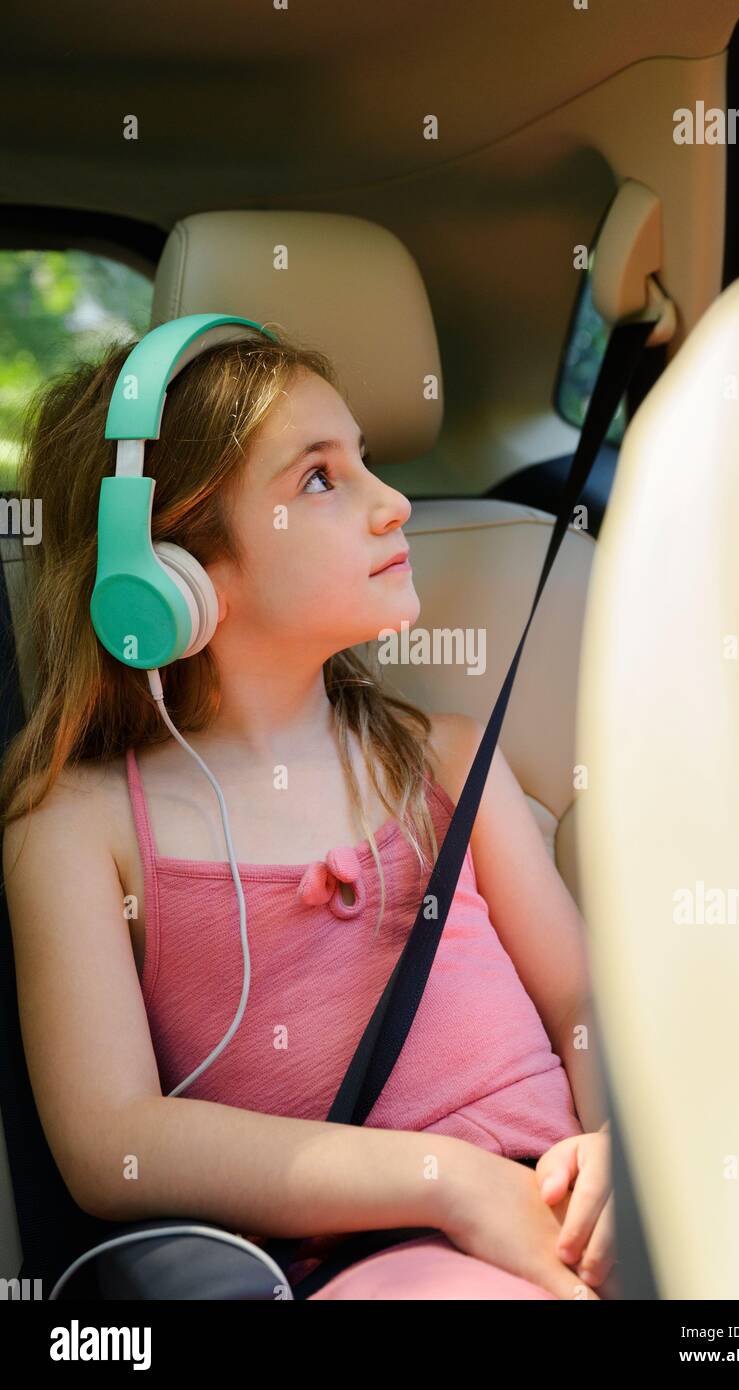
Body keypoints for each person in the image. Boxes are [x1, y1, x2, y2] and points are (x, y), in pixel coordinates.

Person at [1, 328, 616, 1300]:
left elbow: (584, 1003)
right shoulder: (77, 829)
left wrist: (617, 1145)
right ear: (169, 571)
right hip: (376, 1258)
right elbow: (109, 1139)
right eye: (320, 480)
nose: (393, 503)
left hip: (572, 1208)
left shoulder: (445, 761)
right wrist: (449, 1181)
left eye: (365, 459)